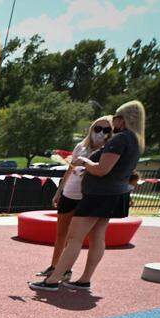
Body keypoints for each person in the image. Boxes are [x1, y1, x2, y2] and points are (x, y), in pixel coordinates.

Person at [32, 101, 145, 292]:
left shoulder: (120, 140)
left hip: (99, 194)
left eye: (116, 118)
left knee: (75, 237)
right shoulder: (135, 141)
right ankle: (84, 279)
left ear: (122, 119)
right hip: (114, 193)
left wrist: (84, 161)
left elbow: (102, 170)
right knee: (97, 237)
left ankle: (53, 279)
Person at [38, 116, 112, 281]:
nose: (100, 133)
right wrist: (59, 191)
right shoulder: (81, 146)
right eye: (97, 128)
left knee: (75, 238)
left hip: (85, 197)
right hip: (69, 193)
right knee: (61, 234)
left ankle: (66, 271)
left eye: (106, 130)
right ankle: (54, 266)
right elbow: (70, 170)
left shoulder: (108, 152)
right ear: (91, 128)